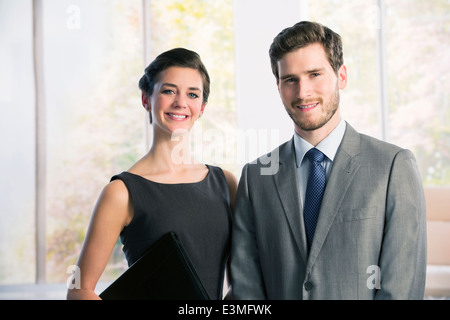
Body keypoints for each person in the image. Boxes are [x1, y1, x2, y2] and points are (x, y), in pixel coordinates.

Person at [229, 21, 427, 300]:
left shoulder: (393, 166)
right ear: (278, 86)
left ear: (341, 76)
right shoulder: (255, 176)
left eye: (314, 74)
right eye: (290, 79)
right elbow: (247, 286)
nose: (302, 92)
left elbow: (402, 287)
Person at [67, 47, 237, 300]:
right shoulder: (121, 193)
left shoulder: (226, 183)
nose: (181, 102)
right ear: (146, 99)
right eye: (169, 91)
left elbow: (242, 280)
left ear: (201, 108)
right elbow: (79, 291)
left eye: (192, 94)